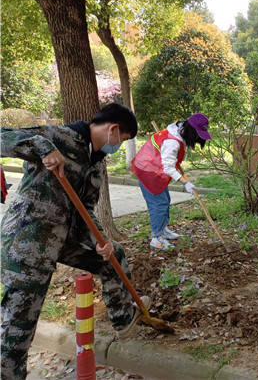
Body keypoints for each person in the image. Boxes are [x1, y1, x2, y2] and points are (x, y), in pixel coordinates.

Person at [1, 103, 150, 380]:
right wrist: (41, 147)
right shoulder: (57, 136)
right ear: (114, 130)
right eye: (123, 140)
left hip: (64, 238)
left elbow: (86, 211)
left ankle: (123, 317)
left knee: (112, 254)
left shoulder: (97, 165)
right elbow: (2, 138)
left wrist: (98, 240)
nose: (117, 146)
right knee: (18, 330)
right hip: (28, 242)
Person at [131, 113, 212, 250]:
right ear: (191, 131)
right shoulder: (172, 142)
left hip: (155, 168)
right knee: (159, 204)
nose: (198, 138)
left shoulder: (179, 130)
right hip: (148, 170)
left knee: (165, 200)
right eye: (197, 134)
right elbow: (168, 167)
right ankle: (156, 238)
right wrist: (185, 183)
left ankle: (162, 229)